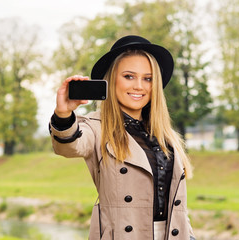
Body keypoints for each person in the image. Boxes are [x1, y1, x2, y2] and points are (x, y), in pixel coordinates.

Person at [49, 35, 195, 240]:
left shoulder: (165, 135)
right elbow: (69, 146)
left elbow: (177, 204)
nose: (139, 86)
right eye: (129, 76)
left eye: (148, 78)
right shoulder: (96, 127)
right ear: (111, 80)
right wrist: (63, 114)